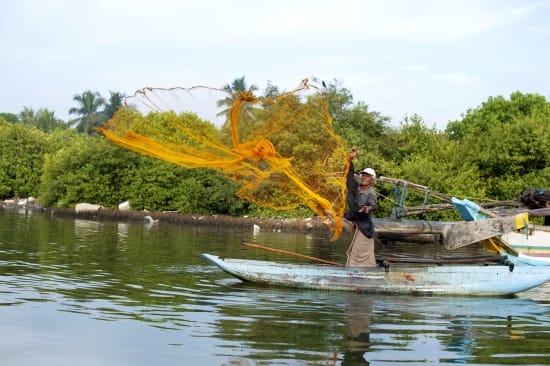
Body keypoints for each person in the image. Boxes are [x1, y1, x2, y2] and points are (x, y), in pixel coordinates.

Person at [344, 148, 377, 267]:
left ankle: (353, 274)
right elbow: (348, 176)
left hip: (365, 228)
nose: (364, 177)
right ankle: (356, 272)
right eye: (363, 175)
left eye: (367, 176)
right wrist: (350, 159)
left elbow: (372, 205)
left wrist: (367, 208)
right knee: (354, 251)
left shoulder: (371, 194)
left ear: (372, 180)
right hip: (359, 225)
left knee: (356, 253)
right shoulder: (356, 188)